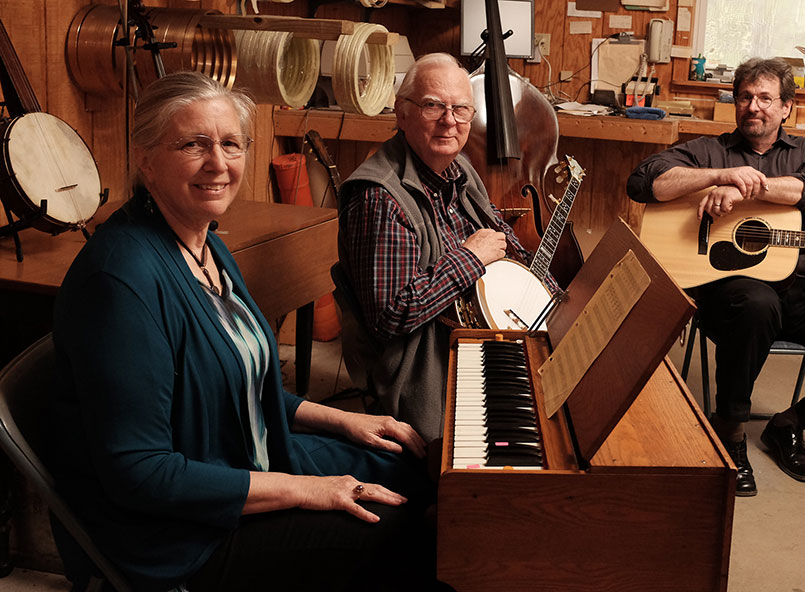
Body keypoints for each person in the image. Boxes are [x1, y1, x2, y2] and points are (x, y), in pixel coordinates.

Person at [50, 71, 436, 592]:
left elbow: (231, 383)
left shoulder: (205, 243)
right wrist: (308, 491)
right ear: (145, 158)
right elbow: (141, 473)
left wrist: (344, 421)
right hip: (185, 536)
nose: (218, 164)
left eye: (231, 143)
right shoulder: (120, 281)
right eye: (193, 144)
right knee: (404, 530)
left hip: (246, 460)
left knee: (423, 471)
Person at [627, 58, 805, 497]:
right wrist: (720, 174)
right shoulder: (709, 150)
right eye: (744, 97)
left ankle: (791, 424)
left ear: (786, 109)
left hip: (802, 287)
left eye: (765, 98)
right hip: (729, 291)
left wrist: (747, 187)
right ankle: (731, 433)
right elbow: (643, 182)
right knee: (757, 304)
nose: (753, 107)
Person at [334, 53, 558, 443]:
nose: (449, 121)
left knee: (562, 399)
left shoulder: (458, 168)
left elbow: (498, 231)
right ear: (403, 114)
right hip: (422, 363)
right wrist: (469, 259)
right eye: (433, 106)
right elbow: (392, 314)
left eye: (460, 109)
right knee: (517, 431)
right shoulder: (379, 197)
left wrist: (550, 293)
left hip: (466, 328)